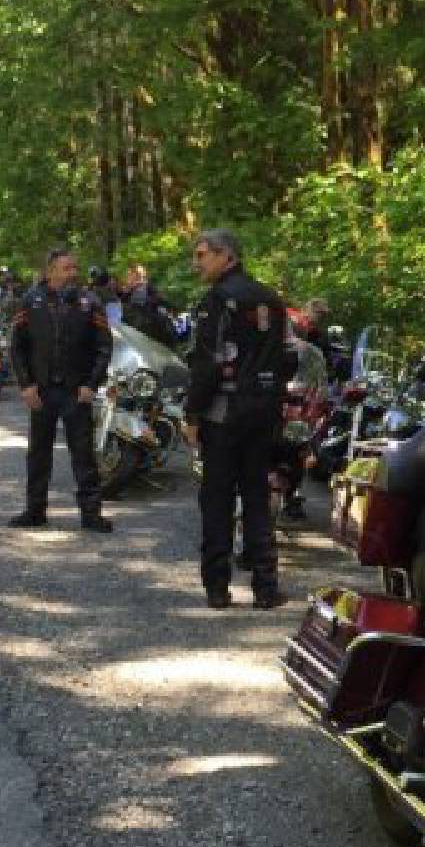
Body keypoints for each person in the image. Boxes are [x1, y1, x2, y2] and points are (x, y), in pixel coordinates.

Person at [184, 228, 294, 610]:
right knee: (257, 497)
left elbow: (208, 363)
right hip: (263, 413)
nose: (196, 263)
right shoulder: (271, 299)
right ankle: (266, 587)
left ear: (225, 256)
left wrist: (192, 413)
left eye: (202, 255)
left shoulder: (217, 300)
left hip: (224, 414)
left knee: (217, 499)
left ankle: (217, 587)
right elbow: (289, 357)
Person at [7, 250, 116, 533]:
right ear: (50, 271)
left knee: (83, 454)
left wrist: (91, 383)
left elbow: (104, 346)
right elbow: (17, 346)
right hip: (41, 389)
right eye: (67, 268)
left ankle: (91, 514)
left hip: (75, 390)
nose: (73, 273)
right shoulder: (30, 300)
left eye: (75, 268)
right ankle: (35, 510)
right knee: (38, 453)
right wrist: (25, 384)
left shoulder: (89, 302)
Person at [120, 263, 175, 344]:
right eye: (135, 274)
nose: (138, 277)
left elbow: (160, 301)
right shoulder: (126, 291)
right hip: (132, 325)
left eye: (140, 275)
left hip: (149, 325)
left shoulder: (150, 287)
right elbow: (121, 305)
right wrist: (128, 290)